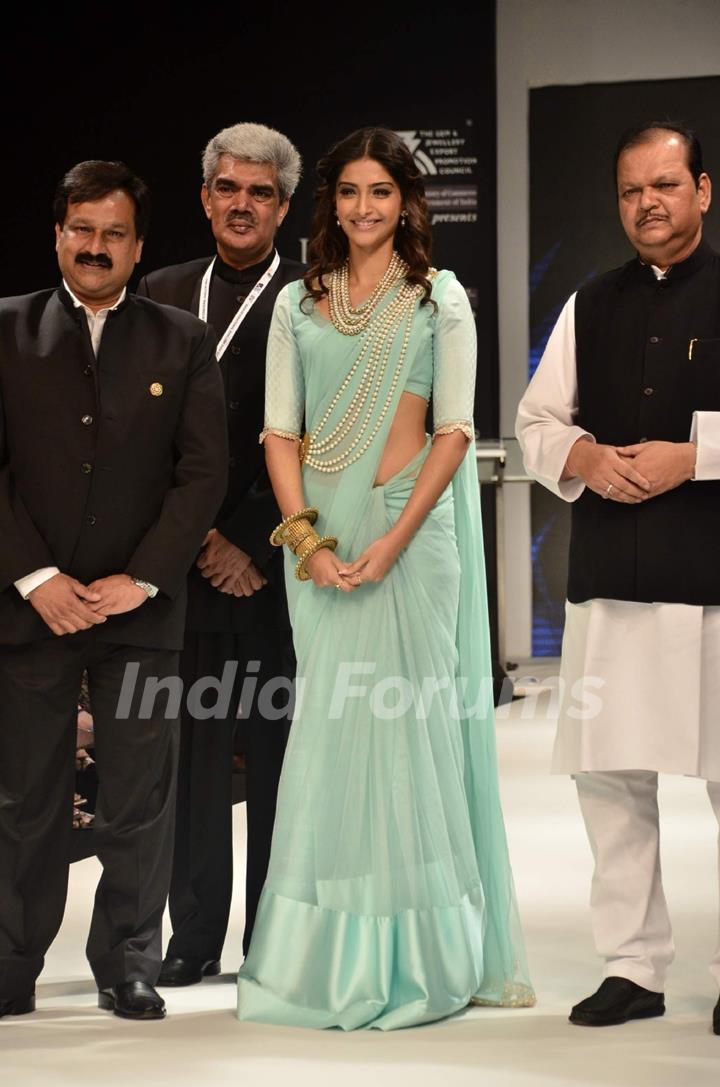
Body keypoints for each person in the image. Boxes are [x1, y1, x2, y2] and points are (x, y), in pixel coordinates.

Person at [236, 126, 534, 1030]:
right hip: (318, 546)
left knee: (407, 740)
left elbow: (454, 431)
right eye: (350, 193)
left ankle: (421, 953)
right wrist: (304, 541)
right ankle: (329, 954)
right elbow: (278, 431)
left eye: (381, 192)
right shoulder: (298, 303)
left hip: (411, 540)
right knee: (331, 744)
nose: (365, 208)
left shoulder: (439, 299)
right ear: (331, 203)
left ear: (407, 201)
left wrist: (399, 536)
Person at [0, 160, 227, 1021]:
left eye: (114, 233)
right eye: (82, 229)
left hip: (143, 609)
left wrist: (143, 577)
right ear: (57, 232)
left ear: (139, 246)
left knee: (140, 793)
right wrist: (37, 578)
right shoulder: (6, 328)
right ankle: (11, 962)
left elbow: (202, 473)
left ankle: (127, 960)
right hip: (31, 609)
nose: (96, 247)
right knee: (24, 796)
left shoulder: (182, 339)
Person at [516, 121, 720, 1033]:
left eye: (667, 185)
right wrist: (586, 455)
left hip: (713, 576)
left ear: (703, 192)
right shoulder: (588, 302)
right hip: (610, 576)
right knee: (609, 779)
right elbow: (534, 421)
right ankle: (633, 967)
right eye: (633, 190)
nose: (649, 203)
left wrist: (698, 455)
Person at [136, 123, 304, 985]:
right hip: (183, 569)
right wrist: (193, 538)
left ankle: (273, 939)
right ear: (205, 198)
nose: (243, 205)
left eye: (261, 192)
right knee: (191, 763)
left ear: (283, 205)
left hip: (275, 567)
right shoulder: (160, 292)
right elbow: (138, 441)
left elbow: (326, 443)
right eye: (228, 189)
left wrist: (247, 540)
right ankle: (192, 936)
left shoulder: (317, 297)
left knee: (279, 758)